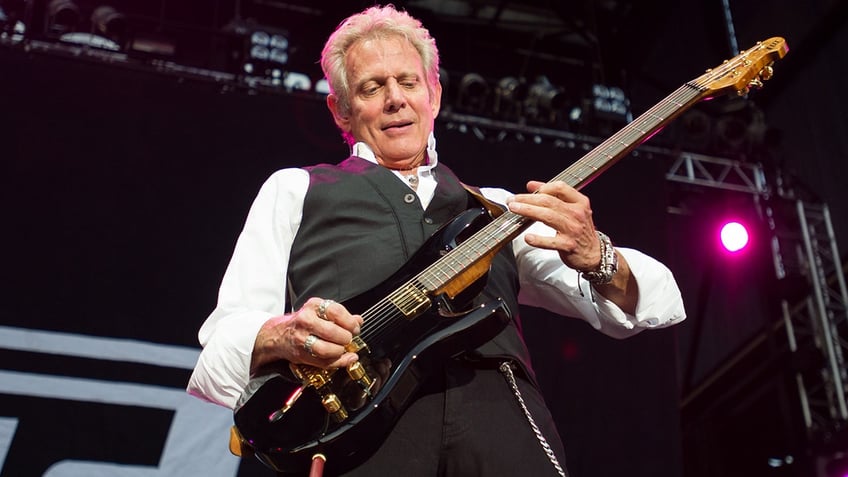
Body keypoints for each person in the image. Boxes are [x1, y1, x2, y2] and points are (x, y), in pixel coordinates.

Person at [187, 4, 686, 476]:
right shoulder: (295, 189)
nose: (395, 98)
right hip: (359, 433)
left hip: (500, 419)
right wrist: (285, 334)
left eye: (408, 82)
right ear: (340, 111)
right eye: (371, 87)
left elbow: (646, 302)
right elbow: (222, 343)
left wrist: (597, 255)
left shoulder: (496, 208)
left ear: (435, 95)